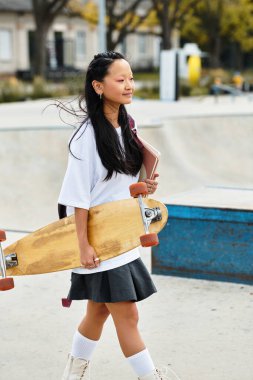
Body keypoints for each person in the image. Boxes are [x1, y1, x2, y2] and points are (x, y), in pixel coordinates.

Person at [58, 51, 164, 380]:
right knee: (127, 316)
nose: (129, 85)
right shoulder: (86, 136)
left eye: (131, 78)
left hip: (124, 235)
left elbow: (121, 185)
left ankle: (71, 374)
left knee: (98, 310)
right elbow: (77, 197)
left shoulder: (127, 127)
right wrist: (83, 245)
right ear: (99, 86)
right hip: (100, 240)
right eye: (121, 80)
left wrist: (143, 185)